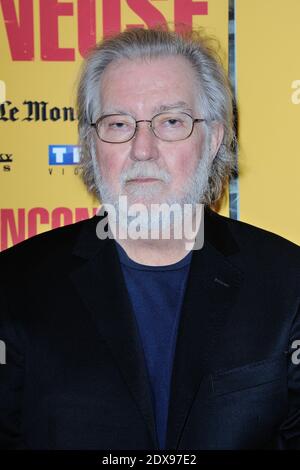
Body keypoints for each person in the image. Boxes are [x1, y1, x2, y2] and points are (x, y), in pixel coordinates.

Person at [0, 27, 299, 451]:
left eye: (171, 122)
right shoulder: (14, 285)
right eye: (118, 123)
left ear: (212, 139)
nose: (142, 148)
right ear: (90, 143)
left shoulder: (287, 283)